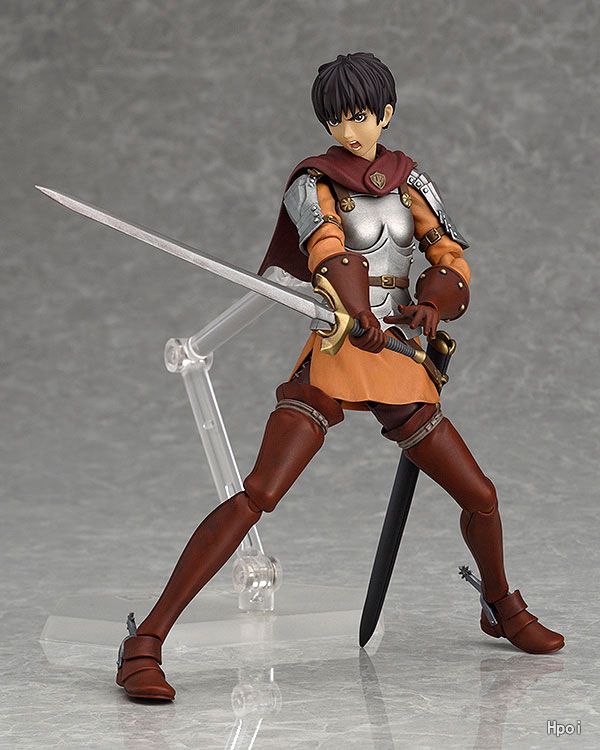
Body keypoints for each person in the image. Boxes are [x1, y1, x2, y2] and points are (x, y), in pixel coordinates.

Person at [116, 52, 564, 701]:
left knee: (481, 494)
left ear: (385, 113)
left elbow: (449, 257)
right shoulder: (314, 182)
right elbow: (327, 248)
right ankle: (146, 640)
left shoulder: (412, 183)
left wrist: (432, 303)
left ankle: (498, 605)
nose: (349, 132)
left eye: (359, 116)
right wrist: (357, 311)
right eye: (336, 120)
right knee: (259, 493)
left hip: (399, 356)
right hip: (336, 348)